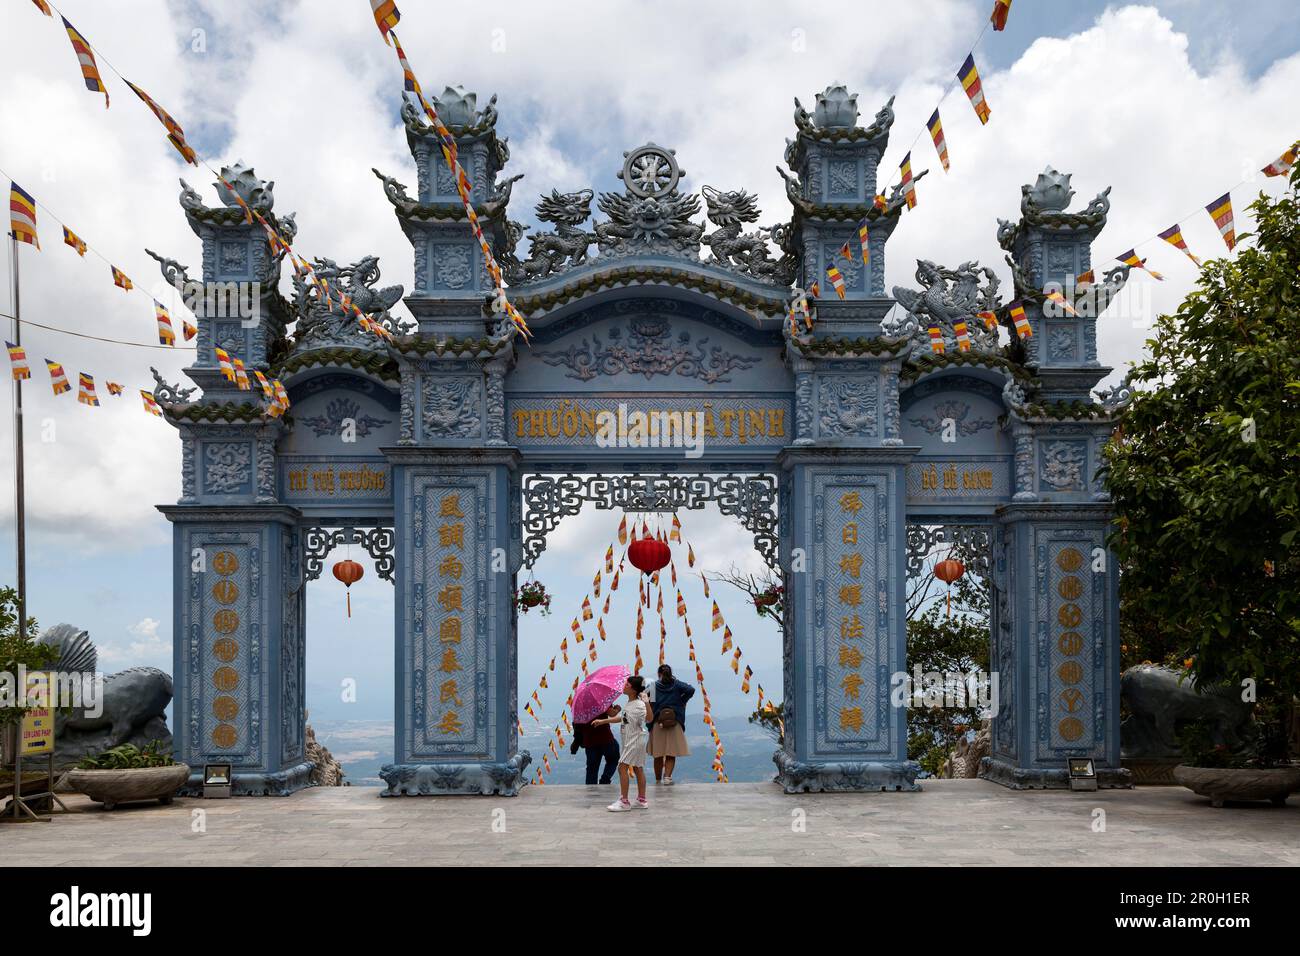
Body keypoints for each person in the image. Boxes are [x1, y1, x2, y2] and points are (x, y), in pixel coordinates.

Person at [592, 674, 651, 811]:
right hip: (633, 739)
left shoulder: (639, 704)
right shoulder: (630, 704)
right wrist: (603, 721)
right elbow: (624, 719)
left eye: (627, 685)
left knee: (621, 767)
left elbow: (649, 718)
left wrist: (647, 702)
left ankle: (624, 801)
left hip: (634, 739)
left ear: (634, 690)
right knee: (637, 767)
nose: (624, 686)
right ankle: (641, 800)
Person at [647, 663, 695, 785]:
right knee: (671, 752)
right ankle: (667, 778)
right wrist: (681, 701)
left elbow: (647, 700)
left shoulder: (653, 686)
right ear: (670, 673)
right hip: (674, 722)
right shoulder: (677, 684)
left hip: (658, 722)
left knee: (657, 753)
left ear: (659, 674)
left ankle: (658, 779)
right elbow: (691, 689)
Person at [570, 703, 621, 785]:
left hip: (589, 740)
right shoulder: (601, 699)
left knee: (592, 768)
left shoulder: (578, 705)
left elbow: (577, 723)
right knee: (613, 759)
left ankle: (591, 791)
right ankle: (605, 780)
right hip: (605, 738)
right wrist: (618, 708)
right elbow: (612, 713)